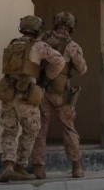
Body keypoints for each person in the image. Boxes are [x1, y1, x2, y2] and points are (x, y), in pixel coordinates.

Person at [0, 15, 65, 182]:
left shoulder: (13, 44)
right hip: (27, 94)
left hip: (8, 93)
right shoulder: (39, 46)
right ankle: (20, 166)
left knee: (9, 131)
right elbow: (59, 61)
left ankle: (8, 166)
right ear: (37, 29)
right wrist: (46, 77)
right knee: (31, 130)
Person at [30, 11, 88, 179]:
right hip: (60, 94)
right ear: (71, 27)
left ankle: (39, 169)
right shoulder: (72, 45)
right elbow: (82, 69)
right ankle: (77, 167)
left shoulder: (42, 39)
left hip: (41, 91)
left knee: (40, 130)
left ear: (55, 24)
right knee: (69, 129)